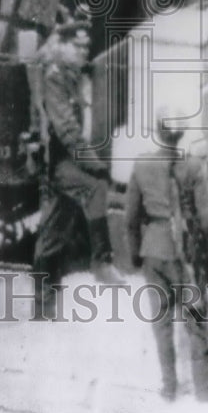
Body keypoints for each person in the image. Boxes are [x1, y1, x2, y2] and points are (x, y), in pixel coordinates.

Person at [125, 109, 208, 406]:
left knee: (161, 324)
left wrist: (135, 256)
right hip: (185, 255)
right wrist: (207, 258)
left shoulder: (143, 164)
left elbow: (131, 218)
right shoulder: (193, 167)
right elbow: (206, 219)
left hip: (153, 251)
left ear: (158, 132)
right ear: (180, 134)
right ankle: (203, 390)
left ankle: (169, 387)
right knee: (196, 322)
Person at [31, 16, 121, 317]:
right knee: (95, 188)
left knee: (54, 231)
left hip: (65, 158)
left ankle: (44, 308)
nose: (84, 51)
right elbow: (66, 129)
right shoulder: (56, 74)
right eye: (78, 46)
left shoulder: (68, 70)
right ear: (64, 46)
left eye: (86, 46)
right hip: (56, 161)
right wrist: (92, 163)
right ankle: (101, 262)